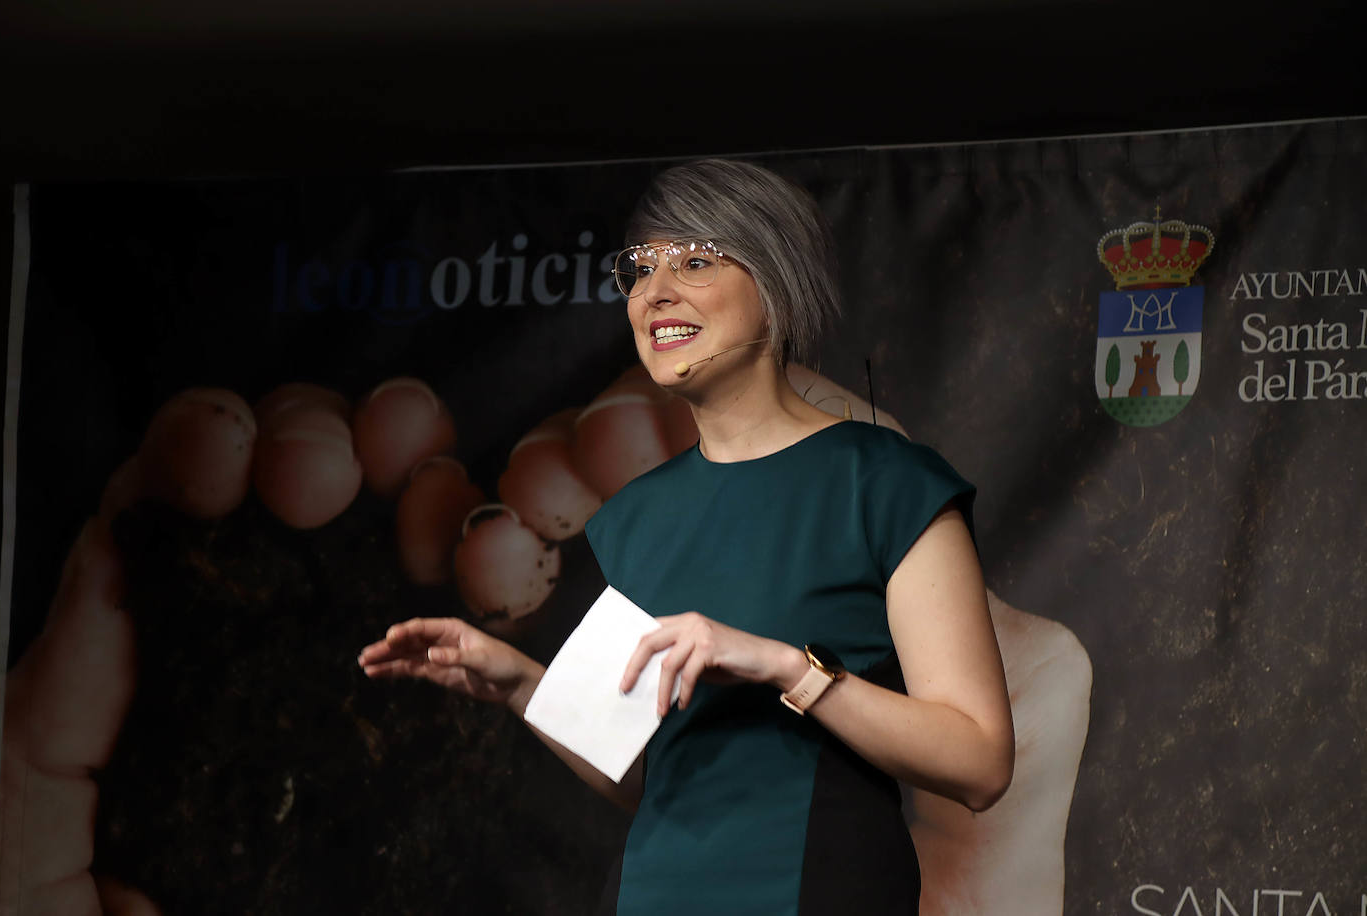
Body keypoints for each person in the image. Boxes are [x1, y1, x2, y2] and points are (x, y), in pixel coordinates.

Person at [358, 158, 1016, 915]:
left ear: (775, 289)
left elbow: (980, 760)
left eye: (696, 260)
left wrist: (779, 665)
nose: (655, 291)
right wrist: (518, 683)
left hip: (819, 887)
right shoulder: (638, 517)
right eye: (640, 269)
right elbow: (644, 775)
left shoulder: (886, 482)